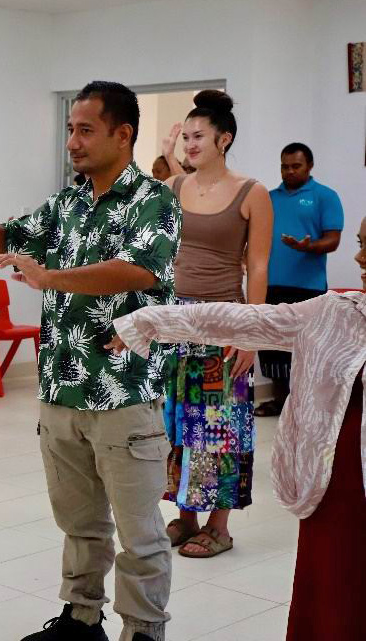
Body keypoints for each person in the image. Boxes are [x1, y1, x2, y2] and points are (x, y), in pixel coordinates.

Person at [0, 82, 180, 641]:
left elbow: (140, 269)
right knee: (79, 523)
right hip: (61, 389)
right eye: (70, 129)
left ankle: (143, 630)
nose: (73, 142)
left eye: (85, 130)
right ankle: (81, 620)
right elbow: (6, 242)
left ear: (122, 134)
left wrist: (52, 277)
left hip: (123, 393)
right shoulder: (68, 203)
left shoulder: (154, 200)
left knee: (140, 532)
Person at [111, 214, 366, 641]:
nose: (359, 258)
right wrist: (148, 321)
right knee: (335, 593)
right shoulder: (337, 312)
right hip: (335, 488)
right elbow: (238, 320)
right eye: (359, 244)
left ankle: (216, 524)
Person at [159, 90, 272, 559]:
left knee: (219, 425)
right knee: (178, 421)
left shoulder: (252, 192)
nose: (189, 144)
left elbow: (258, 267)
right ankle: (185, 516)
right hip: (176, 320)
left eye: (198, 136)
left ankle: (219, 526)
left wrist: (251, 333)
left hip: (224, 321)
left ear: (223, 140)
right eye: (185, 137)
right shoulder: (175, 187)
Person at [255, 142, 343, 417]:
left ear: (310, 166)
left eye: (296, 166)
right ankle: (279, 401)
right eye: (285, 167)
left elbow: (333, 240)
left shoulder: (325, 196)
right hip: (271, 284)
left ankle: (304, 406)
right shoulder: (268, 198)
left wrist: (309, 247)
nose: (289, 171)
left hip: (308, 287)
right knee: (272, 347)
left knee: (303, 349)